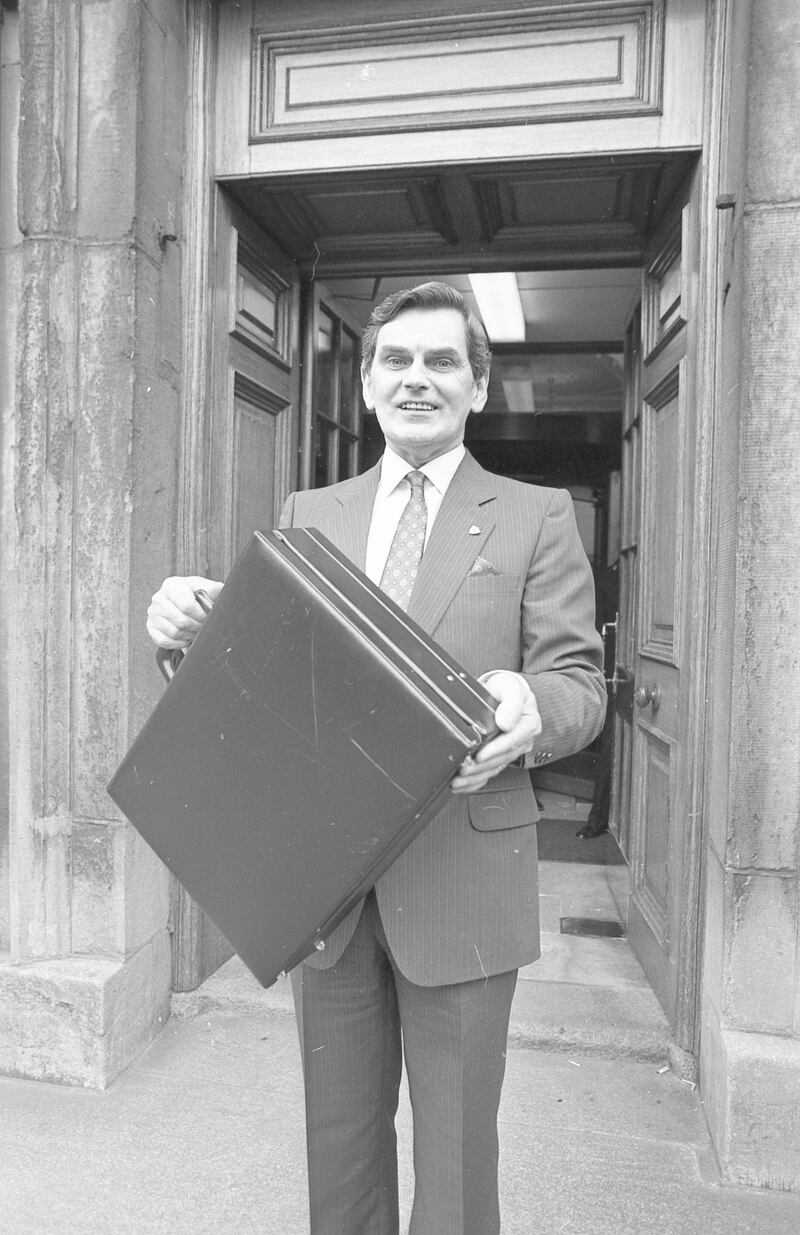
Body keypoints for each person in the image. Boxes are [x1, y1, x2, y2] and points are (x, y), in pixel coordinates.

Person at [147, 281, 606, 1235]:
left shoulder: (533, 513)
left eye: (443, 361)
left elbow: (579, 683)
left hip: (464, 882)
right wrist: (188, 636)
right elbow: (274, 680)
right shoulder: (313, 508)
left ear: (478, 386)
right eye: (396, 360)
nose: (418, 379)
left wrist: (534, 705)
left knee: (455, 1165)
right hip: (331, 892)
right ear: (366, 382)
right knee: (341, 1158)